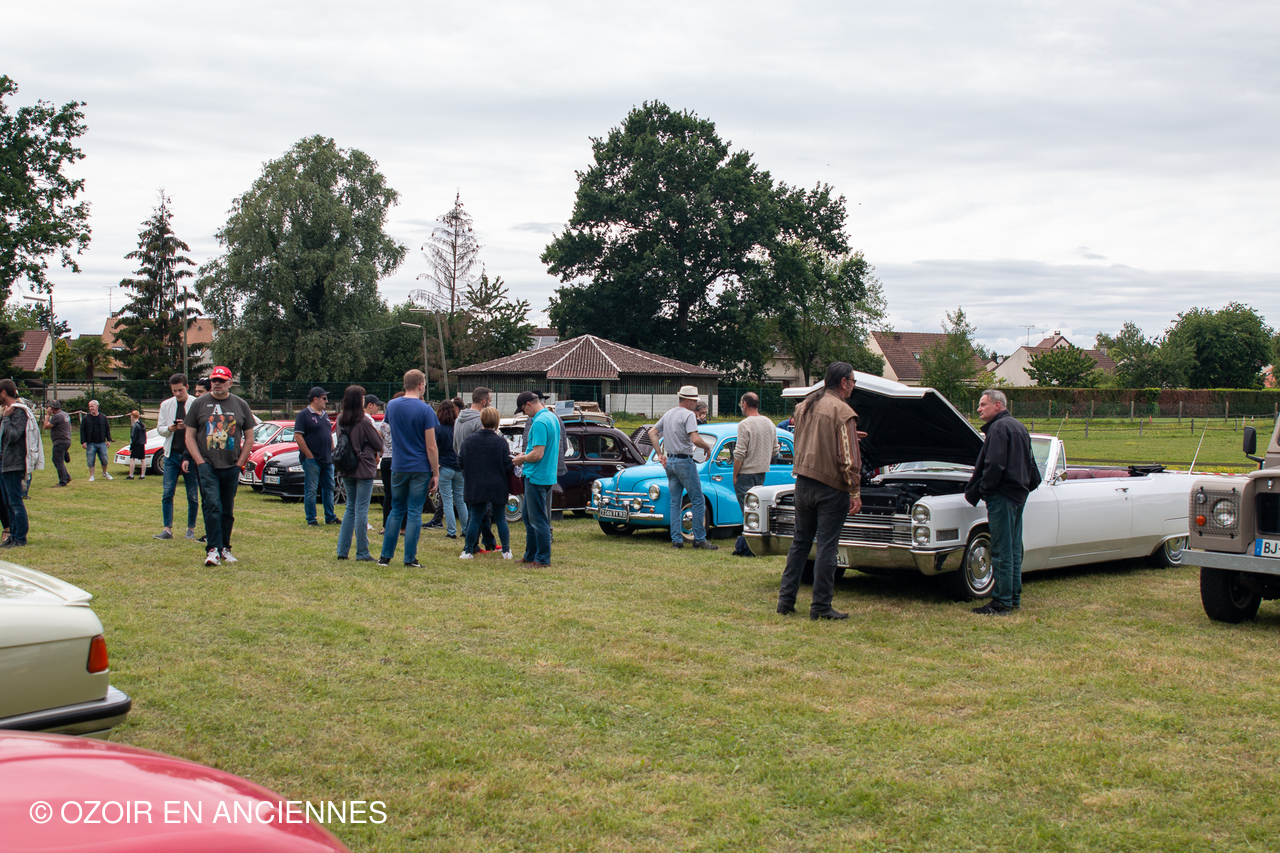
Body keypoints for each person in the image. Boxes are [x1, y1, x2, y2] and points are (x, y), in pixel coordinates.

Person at [777, 362, 862, 620]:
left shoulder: (804, 406)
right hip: (831, 488)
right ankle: (821, 607)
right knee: (827, 546)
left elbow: (809, 440)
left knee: (800, 543)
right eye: (853, 381)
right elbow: (848, 459)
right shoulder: (842, 411)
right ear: (844, 382)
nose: (854, 386)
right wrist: (854, 491)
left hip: (803, 484)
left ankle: (785, 602)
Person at [964, 389, 1043, 615]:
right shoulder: (1019, 427)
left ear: (997, 405)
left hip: (1002, 496)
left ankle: (1002, 601)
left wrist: (985, 489)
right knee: (1014, 547)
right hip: (1018, 495)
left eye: (983, 404)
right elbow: (1030, 464)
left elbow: (995, 465)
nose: (979, 408)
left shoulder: (998, 428)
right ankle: (1013, 597)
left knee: (1001, 549)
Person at [183, 365, 256, 567]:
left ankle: (225, 548)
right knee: (212, 505)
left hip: (231, 466)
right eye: (214, 380)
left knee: (227, 508)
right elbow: (189, 436)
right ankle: (213, 549)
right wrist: (199, 461)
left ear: (230, 383)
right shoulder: (199, 404)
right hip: (207, 465)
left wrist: (239, 463)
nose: (217, 383)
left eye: (221, 381)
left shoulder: (241, 404)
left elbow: (249, 438)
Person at [378, 370, 440, 568]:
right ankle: (409, 558)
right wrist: (436, 473)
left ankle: (385, 557)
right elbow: (431, 446)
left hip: (398, 465)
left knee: (396, 509)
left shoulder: (392, 405)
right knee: (414, 512)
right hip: (420, 467)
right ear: (421, 385)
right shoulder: (426, 410)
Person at [650, 386, 718, 551]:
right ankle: (699, 539)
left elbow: (652, 432)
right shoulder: (689, 415)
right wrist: (707, 448)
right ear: (687, 401)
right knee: (698, 499)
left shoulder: (669, 413)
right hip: (684, 462)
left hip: (670, 461)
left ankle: (676, 540)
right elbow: (695, 439)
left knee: (675, 502)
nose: (696, 404)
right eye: (694, 401)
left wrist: (659, 454)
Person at [458, 406, 514, 560]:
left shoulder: (469, 441)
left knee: (475, 518)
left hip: (476, 485)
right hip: (498, 485)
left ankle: (468, 551)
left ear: (482, 420)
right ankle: (506, 551)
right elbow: (508, 466)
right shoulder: (501, 443)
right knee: (500, 518)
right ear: (496, 422)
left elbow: (460, 462)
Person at [335, 385, 384, 562]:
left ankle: (342, 550)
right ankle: (362, 552)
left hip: (346, 466)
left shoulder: (340, 419)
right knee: (361, 509)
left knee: (350, 507)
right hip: (363, 468)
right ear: (359, 400)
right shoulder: (363, 421)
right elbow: (378, 444)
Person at [512, 391, 560, 567]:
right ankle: (531, 554)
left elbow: (538, 454)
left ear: (528, 404)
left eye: (523, 410)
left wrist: (521, 459)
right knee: (528, 516)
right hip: (546, 474)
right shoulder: (552, 417)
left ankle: (542, 559)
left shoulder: (539, 422)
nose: (525, 414)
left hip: (536, 476)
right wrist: (526, 455)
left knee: (538, 519)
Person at [154, 373, 200, 541]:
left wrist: (188, 427)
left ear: (187, 387)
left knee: (192, 494)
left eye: (180, 390)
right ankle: (167, 529)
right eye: (174, 391)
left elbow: (200, 428)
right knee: (167, 492)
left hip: (190, 455)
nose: (177, 394)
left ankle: (190, 529)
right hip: (171, 454)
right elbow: (160, 429)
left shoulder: (196, 403)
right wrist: (170, 429)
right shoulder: (166, 405)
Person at [732, 392, 778, 557]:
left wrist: (735, 474)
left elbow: (739, 453)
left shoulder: (744, 424)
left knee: (747, 512)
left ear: (744, 404)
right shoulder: (769, 423)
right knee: (757, 510)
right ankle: (752, 546)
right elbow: (775, 449)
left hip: (745, 473)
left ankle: (747, 548)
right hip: (761, 472)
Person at [455, 387, 497, 552]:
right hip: (479, 470)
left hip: (464, 467)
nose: (490, 405)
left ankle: (488, 540)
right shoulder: (480, 421)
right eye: (490, 401)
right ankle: (473, 544)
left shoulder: (459, 419)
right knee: (481, 508)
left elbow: (455, 445)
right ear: (484, 402)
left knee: (476, 506)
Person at [0, 380, 40, 547]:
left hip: (14, 463)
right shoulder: (7, 411)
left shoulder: (18, 412)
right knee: (8, 502)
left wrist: (6, 419)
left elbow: (14, 436)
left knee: (15, 501)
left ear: (3, 392)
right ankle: (12, 535)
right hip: (5, 463)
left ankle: (20, 538)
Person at [296, 386, 338, 527]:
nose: (327, 401)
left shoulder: (324, 415)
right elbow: (298, 436)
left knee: (329, 488)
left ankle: (330, 516)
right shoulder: (304, 415)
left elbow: (328, 433)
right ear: (315, 399)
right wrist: (309, 455)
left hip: (327, 459)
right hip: (312, 460)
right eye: (324, 398)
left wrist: (332, 450)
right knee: (311, 490)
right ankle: (311, 519)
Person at [434, 400, 468, 540]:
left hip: (444, 467)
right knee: (460, 500)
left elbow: (434, 448)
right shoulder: (458, 428)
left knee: (447, 500)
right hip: (458, 467)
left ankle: (451, 531)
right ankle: (465, 529)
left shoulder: (438, 429)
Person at [378, 391, 403, 534]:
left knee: (388, 494)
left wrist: (382, 452)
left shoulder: (384, 424)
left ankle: (386, 526)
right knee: (402, 494)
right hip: (399, 459)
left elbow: (378, 440)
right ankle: (402, 527)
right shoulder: (402, 423)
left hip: (386, 459)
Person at [80, 399, 113, 481]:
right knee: (90, 460)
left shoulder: (103, 417)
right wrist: (83, 442)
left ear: (97, 406)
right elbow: (82, 430)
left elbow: (107, 429)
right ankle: (92, 476)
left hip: (101, 442)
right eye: (89, 407)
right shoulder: (86, 418)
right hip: (90, 443)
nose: (90, 408)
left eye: (92, 406)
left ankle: (105, 473)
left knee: (104, 459)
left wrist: (109, 440)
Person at [44, 400, 73, 487]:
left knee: (58, 461)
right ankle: (67, 476)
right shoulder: (65, 414)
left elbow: (46, 426)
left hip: (60, 441)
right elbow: (70, 427)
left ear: (52, 408)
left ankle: (63, 481)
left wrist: (48, 415)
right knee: (57, 460)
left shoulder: (57, 416)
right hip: (67, 440)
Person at [127, 410, 147, 479]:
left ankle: (131, 475)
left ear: (132, 416)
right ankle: (142, 475)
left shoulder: (134, 426)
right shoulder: (142, 425)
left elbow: (133, 437)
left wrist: (131, 447)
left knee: (132, 459)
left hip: (136, 444)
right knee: (143, 459)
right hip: (142, 443)